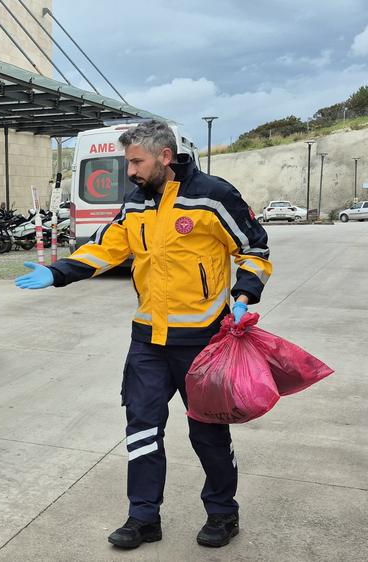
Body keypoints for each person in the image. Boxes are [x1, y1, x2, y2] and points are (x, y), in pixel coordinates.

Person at [16, 120, 272, 549]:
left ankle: (224, 513)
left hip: (203, 343)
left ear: (165, 157)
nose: (130, 171)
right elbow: (105, 248)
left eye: (136, 162)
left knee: (207, 431)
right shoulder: (135, 203)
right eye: (127, 162)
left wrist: (244, 295)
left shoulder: (213, 196)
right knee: (142, 428)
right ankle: (143, 517)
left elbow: (254, 249)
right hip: (148, 342)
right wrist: (57, 272)